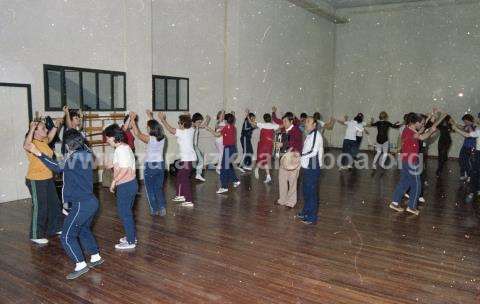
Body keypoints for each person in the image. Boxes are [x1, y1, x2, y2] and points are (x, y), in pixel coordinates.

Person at [25, 129, 104, 280]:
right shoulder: (86, 154)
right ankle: (95, 256)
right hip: (89, 202)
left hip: (82, 204)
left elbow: (56, 167)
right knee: (83, 229)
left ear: (68, 145)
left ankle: (80, 264)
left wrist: (37, 152)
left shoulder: (73, 158)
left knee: (66, 237)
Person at [389, 112, 439, 216]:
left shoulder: (407, 129)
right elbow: (421, 137)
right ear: (415, 123)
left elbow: (419, 131)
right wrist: (431, 131)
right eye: (421, 123)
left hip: (405, 160)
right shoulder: (411, 132)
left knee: (405, 182)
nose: (422, 125)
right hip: (412, 161)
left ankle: (394, 203)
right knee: (416, 184)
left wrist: (428, 118)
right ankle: (411, 207)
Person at [24, 119, 64, 245]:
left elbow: (50, 136)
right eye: (43, 129)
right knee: (40, 207)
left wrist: (56, 125)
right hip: (36, 180)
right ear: (35, 133)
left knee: (54, 204)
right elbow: (26, 145)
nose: (46, 130)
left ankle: (56, 228)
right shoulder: (31, 144)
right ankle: (35, 234)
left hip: (47, 178)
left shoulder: (43, 141)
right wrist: (31, 128)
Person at [104, 124, 138, 250]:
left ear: (113, 137)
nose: (107, 140)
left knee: (125, 213)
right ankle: (131, 236)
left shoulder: (120, 150)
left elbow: (124, 169)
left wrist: (114, 181)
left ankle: (130, 241)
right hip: (130, 184)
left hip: (125, 185)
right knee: (126, 212)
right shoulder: (124, 147)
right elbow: (124, 164)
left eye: (107, 138)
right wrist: (112, 165)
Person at [130, 111, 166, 216]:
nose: (146, 128)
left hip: (150, 166)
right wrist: (150, 116)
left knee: (150, 189)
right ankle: (162, 207)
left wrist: (132, 119)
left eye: (147, 127)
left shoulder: (150, 139)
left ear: (150, 129)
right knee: (158, 188)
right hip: (160, 165)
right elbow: (153, 126)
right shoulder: (163, 138)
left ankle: (154, 209)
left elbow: (137, 133)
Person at [158, 112, 196, 207]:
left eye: (179, 122)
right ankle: (181, 195)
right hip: (186, 159)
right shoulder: (191, 130)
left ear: (183, 124)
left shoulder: (182, 132)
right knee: (180, 176)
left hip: (187, 160)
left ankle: (189, 200)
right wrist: (187, 116)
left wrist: (163, 120)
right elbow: (189, 123)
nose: (178, 124)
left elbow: (171, 129)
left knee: (184, 179)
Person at [274, 110, 303, 208]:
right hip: (284, 158)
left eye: (286, 121)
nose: (284, 123)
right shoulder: (282, 132)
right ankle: (282, 199)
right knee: (282, 179)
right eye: (283, 121)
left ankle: (291, 202)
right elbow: (282, 145)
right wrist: (277, 147)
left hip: (293, 158)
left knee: (292, 181)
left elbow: (296, 143)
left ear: (291, 121)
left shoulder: (297, 130)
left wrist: (283, 144)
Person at [206, 113, 241, 194]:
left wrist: (208, 128)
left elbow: (216, 134)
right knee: (228, 166)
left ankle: (224, 187)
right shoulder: (233, 127)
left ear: (225, 121)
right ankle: (236, 181)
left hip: (228, 149)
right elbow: (223, 127)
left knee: (223, 168)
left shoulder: (226, 128)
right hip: (233, 149)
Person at [297, 117, 323, 224]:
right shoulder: (310, 134)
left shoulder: (317, 135)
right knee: (306, 191)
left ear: (314, 124)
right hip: (307, 166)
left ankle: (312, 218)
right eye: (305, 121)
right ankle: (306, 212)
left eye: (308, 122)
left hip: (313, 165)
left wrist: (299, 156)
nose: (306, 123)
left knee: (311, 192)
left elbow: (313, 151)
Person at [451, 118, 480, 203]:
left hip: (478, 153)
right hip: (477, 152)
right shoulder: (477, 128)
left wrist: (455, 129)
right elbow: (465, 129)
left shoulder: (477, 129)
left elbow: (467, 135)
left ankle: (473, 192)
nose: (477, 119)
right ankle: (474, 191)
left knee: (476, 172)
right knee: (476, 172)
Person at [249, 113, 281, 183]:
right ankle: (268, 176)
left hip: (262, 145)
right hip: (269, 146)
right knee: (266, 160)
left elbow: (252, 123)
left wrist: (248, 116)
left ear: (264, 119)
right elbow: (282, 126)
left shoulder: (262, 125)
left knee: (261, 159)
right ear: (270, 119)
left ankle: (261, 171)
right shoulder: (273, 126)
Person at [191, 112, 210, 182]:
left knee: (198, 159)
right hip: (191, 146)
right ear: (195, 120)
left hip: (194, 146)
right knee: (200, 159)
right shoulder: (191, 126)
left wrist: (207, 119)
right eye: (199, 122)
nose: (199, 123)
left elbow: (204, 125)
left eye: (200, 122)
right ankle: (197, 174)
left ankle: (197, 174)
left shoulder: (196, 125)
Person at [457, 114, 476, 181]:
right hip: (465, 146)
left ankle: (469, 176)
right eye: (464, 121)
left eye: (465, 121)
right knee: (461, 160)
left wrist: (469, 126)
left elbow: (471, 133)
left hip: (471, 147)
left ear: (468, 120)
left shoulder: (474, 126)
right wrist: (453, 123)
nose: (464, 122)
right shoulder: (467, 126)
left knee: (468, 162)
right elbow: (461, 127)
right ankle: (463, 174)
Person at [214, 110, 226, 175]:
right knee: (221, 153)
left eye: (224, 114)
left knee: (221, 153)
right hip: (219, 140)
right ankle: (218, 168)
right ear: (219, 115)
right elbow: (216, 127)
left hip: (222, 140)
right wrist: (224, 127)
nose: (223, 115)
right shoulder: (218, 122)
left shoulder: (224, 122)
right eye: (222, 114)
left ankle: (219, 166)